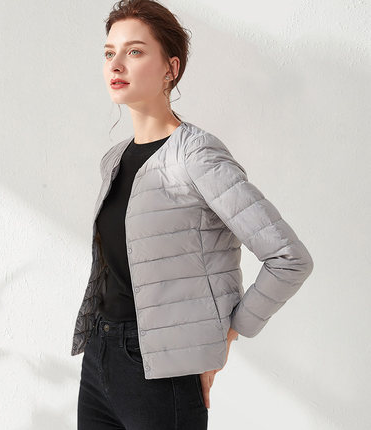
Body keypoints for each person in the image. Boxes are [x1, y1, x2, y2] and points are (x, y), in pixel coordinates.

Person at [73, 1, 314, 429]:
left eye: (134, 51)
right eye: (110, 52)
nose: (117, 64)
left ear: (171, 68)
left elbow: (288, 257)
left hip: (162, 372)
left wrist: (229, 333)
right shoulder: (114, 159)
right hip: (99, 359)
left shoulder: (197, 155)